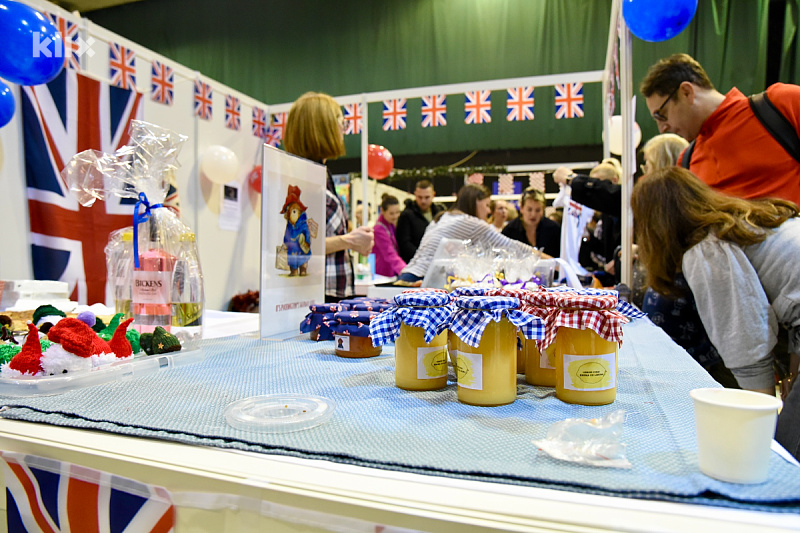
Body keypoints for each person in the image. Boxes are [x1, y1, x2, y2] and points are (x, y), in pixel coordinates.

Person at [633, 167, 800, 458]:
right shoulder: (741, 223)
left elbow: (746, 341)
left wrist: (757, 435)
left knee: (782, 455)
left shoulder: (706, 251)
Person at [640, 53, 800, 205]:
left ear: (686, 92)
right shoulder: (687, 162)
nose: (662, 128)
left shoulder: (782, 104)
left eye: (662, 115)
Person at [284, 91, 374, 301]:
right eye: (340, 123)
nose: (344, 129)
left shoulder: (321, 173)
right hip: (314, 294)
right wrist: (349, 240)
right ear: (322, 127)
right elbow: (295, 245)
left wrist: (350, 236)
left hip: (330, 289)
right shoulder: (300, 178)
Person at [398, 184, 541, 283]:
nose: (488, 211)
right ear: (476, 202)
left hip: (406, 275)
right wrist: (548, 259)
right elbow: (511, 246)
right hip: (422, 279)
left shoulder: (443, 216)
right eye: (486, 205)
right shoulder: (470, 222)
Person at [396, 179, 446, 262]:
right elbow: (404, 244)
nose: (423, 201)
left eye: (427, 197)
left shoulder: (439, 213)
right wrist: (422, 257)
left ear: (433, 195)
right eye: (420, 197)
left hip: (437, 261)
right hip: (414, 263)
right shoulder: (406, 215)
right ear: (415, 194)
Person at [501, 188, 560, 258]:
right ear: (522, 208)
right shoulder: (509, 230)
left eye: (538, 210)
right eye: (529, 209)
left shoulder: (554, 229)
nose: (533, 214)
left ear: (543, 210)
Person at [372, 194, 406, 277]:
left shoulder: (391, 225)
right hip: (382, 274)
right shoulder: (378, 229)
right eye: (391, 213)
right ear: (382, 211)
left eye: (397, 212)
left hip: (391, 271)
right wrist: (405, 270)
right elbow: (389, 253)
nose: (395, 216)